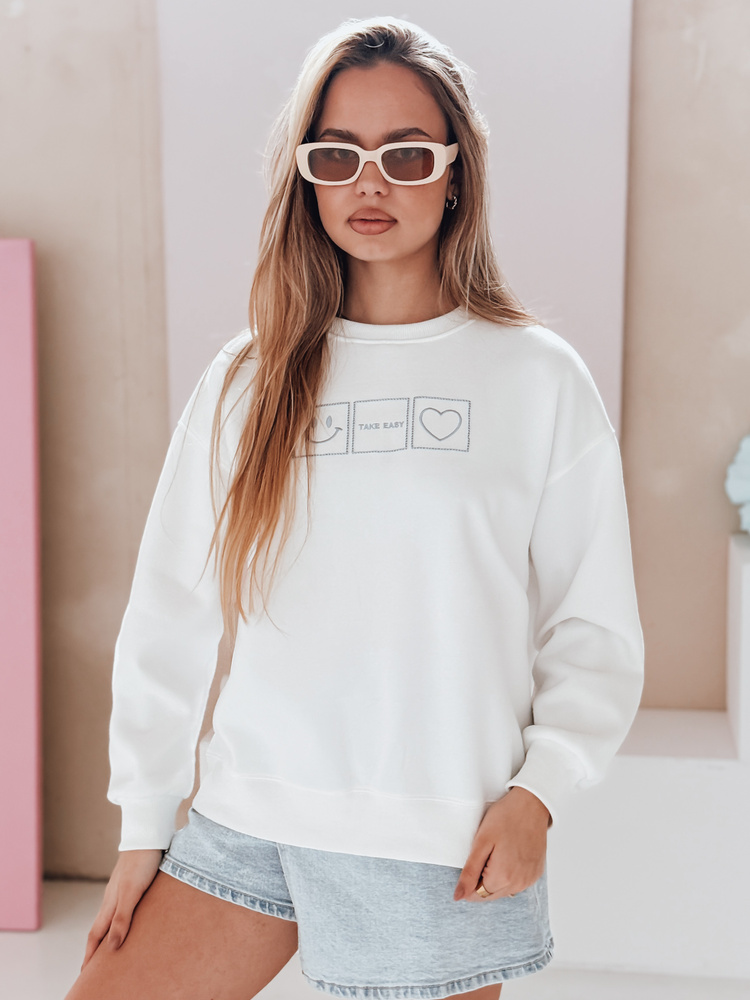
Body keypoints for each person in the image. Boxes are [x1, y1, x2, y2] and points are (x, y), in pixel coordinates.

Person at [66, 15, 644, 1000]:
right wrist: (144, 826)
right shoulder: (247, 379)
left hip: (435, 842)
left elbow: (594, 628)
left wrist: (539, 794)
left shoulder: (537, 379)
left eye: (405, 155)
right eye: (337, 155)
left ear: (454, 174)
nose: (369, 183)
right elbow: (170, 612)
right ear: (308, 176)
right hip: (247, 821)